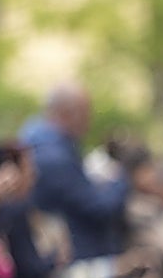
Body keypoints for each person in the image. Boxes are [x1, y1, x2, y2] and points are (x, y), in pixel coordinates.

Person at [19, 84, 129, 261]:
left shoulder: (35, 141)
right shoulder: (55, 157)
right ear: (66, 113)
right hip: (75, 257)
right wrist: (121, 178)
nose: (89, 121)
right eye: (85, 113)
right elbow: (100, 209)